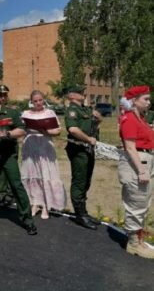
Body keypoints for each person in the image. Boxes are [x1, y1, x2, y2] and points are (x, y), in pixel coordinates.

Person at [0, 87, 37, 235]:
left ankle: (27, 220)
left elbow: (22, 130)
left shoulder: (11, 113)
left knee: (16, 185)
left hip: (8, 155)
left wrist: (6, 134)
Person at [118, 85, 154, 259]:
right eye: (145, 99)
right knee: (136, 203)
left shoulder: (141, 118)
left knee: (143, 202)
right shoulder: (129, 119)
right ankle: (133, 244)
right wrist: (141, 170)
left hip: (145, 160)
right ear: (134, 101)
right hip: (137, 163)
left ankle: (139, 239)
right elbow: (131, 147)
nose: (149, 101)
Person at [20, 90, 66, 219]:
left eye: (40, 100)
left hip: (45, 145)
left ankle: (46, 204)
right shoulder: (26, 113)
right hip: (30, 146)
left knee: (45, 173)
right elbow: (21, 128)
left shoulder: (49, 113)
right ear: (31, 102)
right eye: (35, 101)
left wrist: (46, 131)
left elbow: (58, 130)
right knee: (32, 174)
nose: (38, 103)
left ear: (43, 100)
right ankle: (34, 202)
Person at [64, 85, 102, 230]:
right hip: (78, 149)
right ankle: (80, 215)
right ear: (72, 95)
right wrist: (88, 139)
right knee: (79, 181)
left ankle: (84, 211)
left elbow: (95, 125)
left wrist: (98, 119)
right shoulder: (72, 110)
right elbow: (73, 129)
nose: (83, 94)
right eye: (80, 92)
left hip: (88, 150)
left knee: (86, 180)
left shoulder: (86, 109)